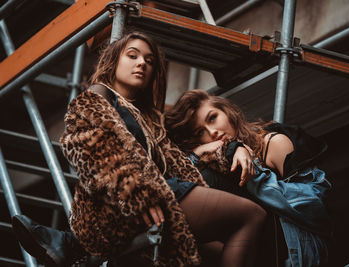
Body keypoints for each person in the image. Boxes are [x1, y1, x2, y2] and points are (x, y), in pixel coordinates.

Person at [12, 32, 268, 267]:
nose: (142, 63)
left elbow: (178, 163)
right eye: (132, 55)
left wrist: (233, 147)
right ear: (114, 61)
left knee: (217, 249)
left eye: (149, 61)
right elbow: (93, 150)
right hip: (129, 201)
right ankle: (73, 245)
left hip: (155, 195)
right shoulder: (97, 95)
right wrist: (139, 192)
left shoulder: (149, 118)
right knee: (251, 215)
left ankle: (73, 247)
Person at [164, 89, 333, 267]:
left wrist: (255, 176)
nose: (212, 132)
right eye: (200, 133)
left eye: (212, 118)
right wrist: (198, 153)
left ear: (227, 111)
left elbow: (314, 208)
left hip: (295, 248)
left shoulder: (274, 143)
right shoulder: (216, 160)